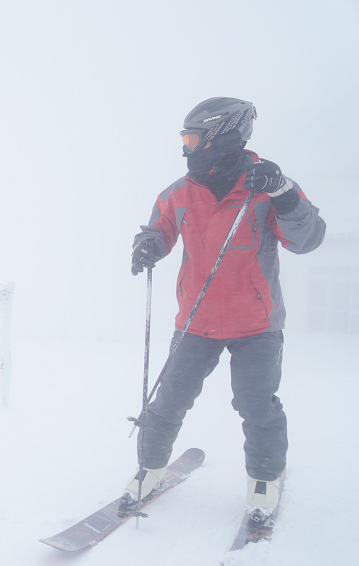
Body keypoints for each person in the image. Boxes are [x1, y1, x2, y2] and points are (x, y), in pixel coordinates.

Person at [120, 97, 326, 528]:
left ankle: (264, 484)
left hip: (256, 325)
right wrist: (148, 245)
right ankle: (149, 469)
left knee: (256, 406)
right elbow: (159, 231)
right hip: (195, 323)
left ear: (219, 136)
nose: (186, 148)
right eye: (184, 138)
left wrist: (283, 193)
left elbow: (307, 240)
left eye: (192, 138)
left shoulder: (267, 185)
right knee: (167, 402)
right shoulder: (178, 192)